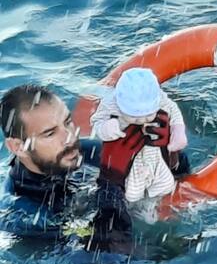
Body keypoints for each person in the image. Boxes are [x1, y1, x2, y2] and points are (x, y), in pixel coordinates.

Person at [0, 84, 176, 254]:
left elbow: (176, 175)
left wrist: (163, 150)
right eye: (50, 133)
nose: (70, 137)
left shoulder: (81, 153)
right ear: (18, 147)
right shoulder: (25, 216)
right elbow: (112, 255)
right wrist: (112, 180)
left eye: (67, 122)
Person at [90, 67, 188, 223]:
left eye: (148, 115)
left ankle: (159, 204)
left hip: (154, 155)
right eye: (135, 117)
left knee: (164, 182)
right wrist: (106, 128)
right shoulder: (111, 104)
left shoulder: (162, 100)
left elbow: (174, 113)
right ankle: (134, 213)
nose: (142, 120)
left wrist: (178, 133)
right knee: (128, 194)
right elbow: (97, 121)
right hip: (125, 164)